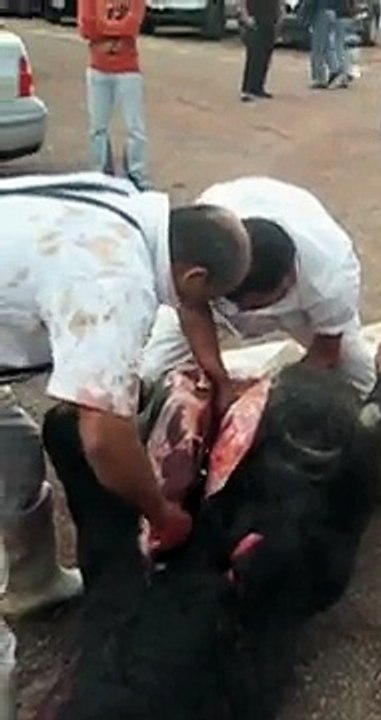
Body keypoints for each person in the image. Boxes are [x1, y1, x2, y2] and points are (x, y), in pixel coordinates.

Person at [0, 172, 252, 716]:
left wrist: (213, 371)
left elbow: (183, 304)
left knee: (15, 448)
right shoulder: (116, 283)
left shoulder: (122, 201)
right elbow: (104, 439)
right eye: (210, 298)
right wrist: (161, 512)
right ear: (194, 274)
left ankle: (35, 581)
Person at [137, 176, 381, 534]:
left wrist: (261, 399)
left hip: (309, 310)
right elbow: (192, 305)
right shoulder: (213, 247)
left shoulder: (330, 275)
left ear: (288, 282)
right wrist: (219, 379)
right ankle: (146, 469)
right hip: (224, 280)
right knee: (150, 369)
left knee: (369, 379)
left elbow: (326, 353)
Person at [78, 0, 151, 190]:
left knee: (135, 128)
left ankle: (136, 175)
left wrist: (104, 33)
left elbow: (132, 25)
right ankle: (100, 174)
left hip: (127, 69)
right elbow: (86, 27)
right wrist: (117, 35)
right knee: (97, 128)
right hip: (98, 68)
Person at [239, 0, 283, 101]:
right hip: (255, 18)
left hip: (271, 19)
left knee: (266, 55)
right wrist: (245, 16)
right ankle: (247, 89)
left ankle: (258, 87)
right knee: (254, 54)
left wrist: (281, 14)